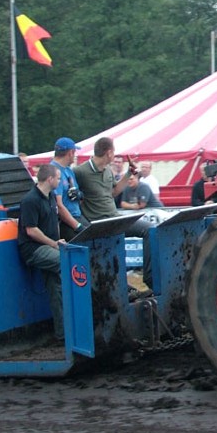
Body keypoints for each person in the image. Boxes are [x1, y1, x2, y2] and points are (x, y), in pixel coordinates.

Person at [74, 137, 154, 291]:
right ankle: (127, 288)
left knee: (150, 229)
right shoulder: (80, 172)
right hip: (99, 223)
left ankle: (150, 278)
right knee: (112, 258)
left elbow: (114, 192)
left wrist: (128, 173)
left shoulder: (108, 171)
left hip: (115, 219)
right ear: (109, 153)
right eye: (114, 152)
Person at [17, 164, 66, 340]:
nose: (60, 181)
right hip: (33, 249)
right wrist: (54, 244)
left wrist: (57, 241)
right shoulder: (30, 200)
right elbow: (31, 230)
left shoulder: (51, 196)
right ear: (50, 179)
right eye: (58, 178)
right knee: (67, 262)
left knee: (56, 288)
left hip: (50, 246)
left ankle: (63, 333)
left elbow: (53, 223)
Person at [50, 137, 89, 241]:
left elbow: (77, 196)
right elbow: (58, 205)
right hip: (65, 222)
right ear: (70, 152)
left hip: (77, 215)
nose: (75, 155)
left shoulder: (68, 170)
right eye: (74, 152)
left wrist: (79, 195)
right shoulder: (53, 171)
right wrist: (77, 226)